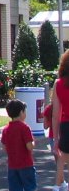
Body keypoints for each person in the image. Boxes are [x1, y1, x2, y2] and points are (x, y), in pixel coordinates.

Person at [1, 98, 36, 191]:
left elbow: (4, 147)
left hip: (12, 165)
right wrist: (33, 142)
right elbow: (29, 146)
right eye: (25, 111)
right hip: (26, 164)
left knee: (15, 188)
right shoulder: (24, 127)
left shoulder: (6, 129)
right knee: (30, 186)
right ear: (21, 112)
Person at [51, 51, 69, 191]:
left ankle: (58, 185)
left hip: (65, 124)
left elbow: (55, 115)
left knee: (63, 157)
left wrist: (55, 138)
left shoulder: (58, 84)